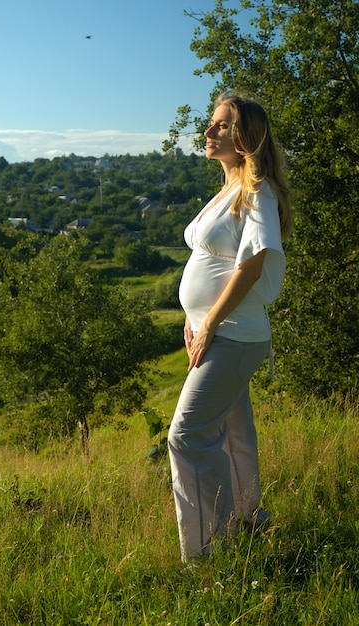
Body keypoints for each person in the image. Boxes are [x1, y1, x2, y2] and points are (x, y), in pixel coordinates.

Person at [167, 94, 292, 563]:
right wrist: (192, 319)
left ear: (245, 137)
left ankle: (205, 552)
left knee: (187, 435)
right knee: (231, 432)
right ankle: (247, 518)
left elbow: (253, 263)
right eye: (212, 124)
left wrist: (210, 323)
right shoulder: (226, 190)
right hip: (216, 331)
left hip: (236, 335)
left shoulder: (257, 192)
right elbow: (209, 262)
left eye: (221, 126)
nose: (208, 132)